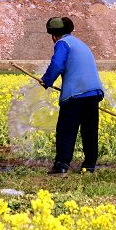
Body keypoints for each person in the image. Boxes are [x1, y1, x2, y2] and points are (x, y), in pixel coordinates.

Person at [39, 16, 105, 176]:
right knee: (89, 130)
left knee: (66, 129)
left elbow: (57, 64)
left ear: (54, 35)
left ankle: (61, 165)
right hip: (94, 92)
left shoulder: (63, 43)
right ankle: (89, 166)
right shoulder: (79, 43)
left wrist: (47, 80)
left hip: (76, 93)